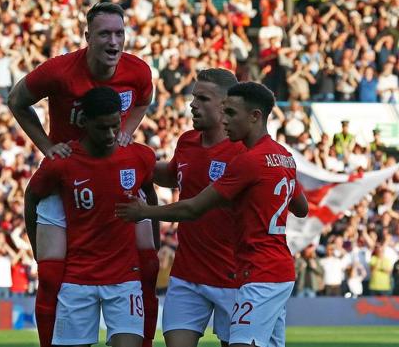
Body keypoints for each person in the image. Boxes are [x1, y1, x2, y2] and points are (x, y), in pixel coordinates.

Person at [8, 2, 158, 347]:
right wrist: (47, 146)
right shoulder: (59, 72)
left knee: (148, 267)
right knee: (49, 274)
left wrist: (127, 131)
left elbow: (143, 101)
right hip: (65, 176)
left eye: (120, 33)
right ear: (87, 36)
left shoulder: (137, 72)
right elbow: (16, 100)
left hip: (110, 170)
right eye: (105, 33)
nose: (114, 41)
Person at [117, 82, 309, 347]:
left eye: (231, 113)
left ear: (254, 116)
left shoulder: (247, 160)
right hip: (262, 270)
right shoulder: (283, 156)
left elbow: (193, 208)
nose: (225, 119)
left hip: (253, 272)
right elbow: (301, 208)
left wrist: (144, 211)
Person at [26, 87, 156, 347]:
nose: (110, 135)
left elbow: (149, 196)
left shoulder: (139, 156)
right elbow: (32, 198)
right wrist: (35, 248)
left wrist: (153, 246)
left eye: (115, 126)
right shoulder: (61, 162)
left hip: (124, 280)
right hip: (77, 281)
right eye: (102, 128)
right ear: (84, 122)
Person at [151, 68, 243, 347]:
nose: (193, 104)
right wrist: (131, 159)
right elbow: (172, 175)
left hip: (233, 276)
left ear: (226, 105)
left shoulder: (243, 151)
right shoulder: (187, 142)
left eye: (203, 98)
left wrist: (143, 212)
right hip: (187, 274)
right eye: (194, 97)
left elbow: (192, 208)